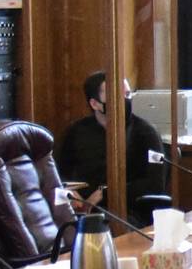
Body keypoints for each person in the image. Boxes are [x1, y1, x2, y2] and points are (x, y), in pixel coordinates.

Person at [55, 72, 167, 224]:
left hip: (127, 211)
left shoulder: (145, 133)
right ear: (95, 104)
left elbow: (154, 183)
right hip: (79, 210)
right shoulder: (76, 131)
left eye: (128, 95)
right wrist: (69, 193)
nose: (125, 101)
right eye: (116, 96)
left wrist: (105, 193)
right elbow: (56, 173)